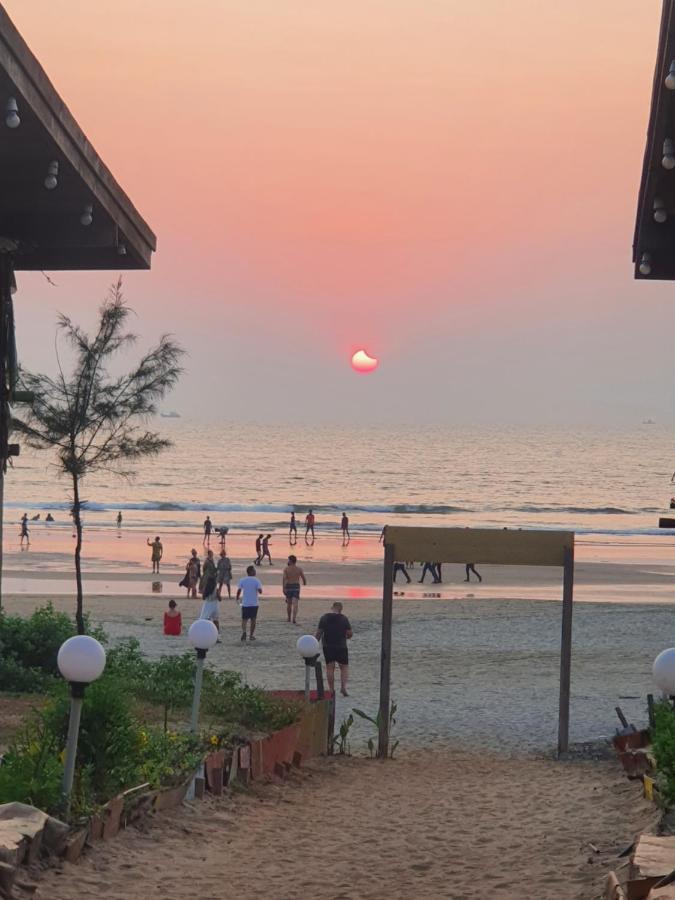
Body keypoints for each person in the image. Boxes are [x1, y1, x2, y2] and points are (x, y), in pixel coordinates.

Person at [315, 601, 352, 697]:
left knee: (330, 667)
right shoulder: (344, 619)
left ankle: (331, 689)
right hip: (341, 646)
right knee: (344, 667)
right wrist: (347, 636)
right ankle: (343, 687)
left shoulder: (324, 617)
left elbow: (319, 633)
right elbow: (349, 633)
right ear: (341, 609)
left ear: (332, 608)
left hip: (328, 646)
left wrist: (314, 644)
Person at [237, 565, 263, 642]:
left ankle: (244, 632)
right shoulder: (256, 580)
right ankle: (251, 635)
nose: (255, 571)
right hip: (254, 603)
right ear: (251, 571)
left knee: (244, 619)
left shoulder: (243, 580)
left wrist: (237, 597)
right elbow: (260, 591)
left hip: (245, 603)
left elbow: (239, 590)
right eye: (254, 570)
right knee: (253, 619)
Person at [199, 549, 220, 633]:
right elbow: (205, 570)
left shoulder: (210, 561)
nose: (212, 555)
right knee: (214, 619)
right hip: (208, 577)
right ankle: (216, 634)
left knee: (206, 618)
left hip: (209, 602)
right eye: (211, 554)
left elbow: (204, 597)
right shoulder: (207, 561)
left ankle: (211, 633)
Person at [282, 554, 307, 624]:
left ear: (290, 561)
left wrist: (283, 588)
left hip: (289, 586)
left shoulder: (286, 569)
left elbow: (284, 579)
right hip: (296, 586)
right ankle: (294, 618)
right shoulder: (299, 569)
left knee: (289, 603)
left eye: (289, 560)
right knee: (295, 603)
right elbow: (303, 578)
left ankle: (289, 618)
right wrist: (304, 583)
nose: (288, 561)